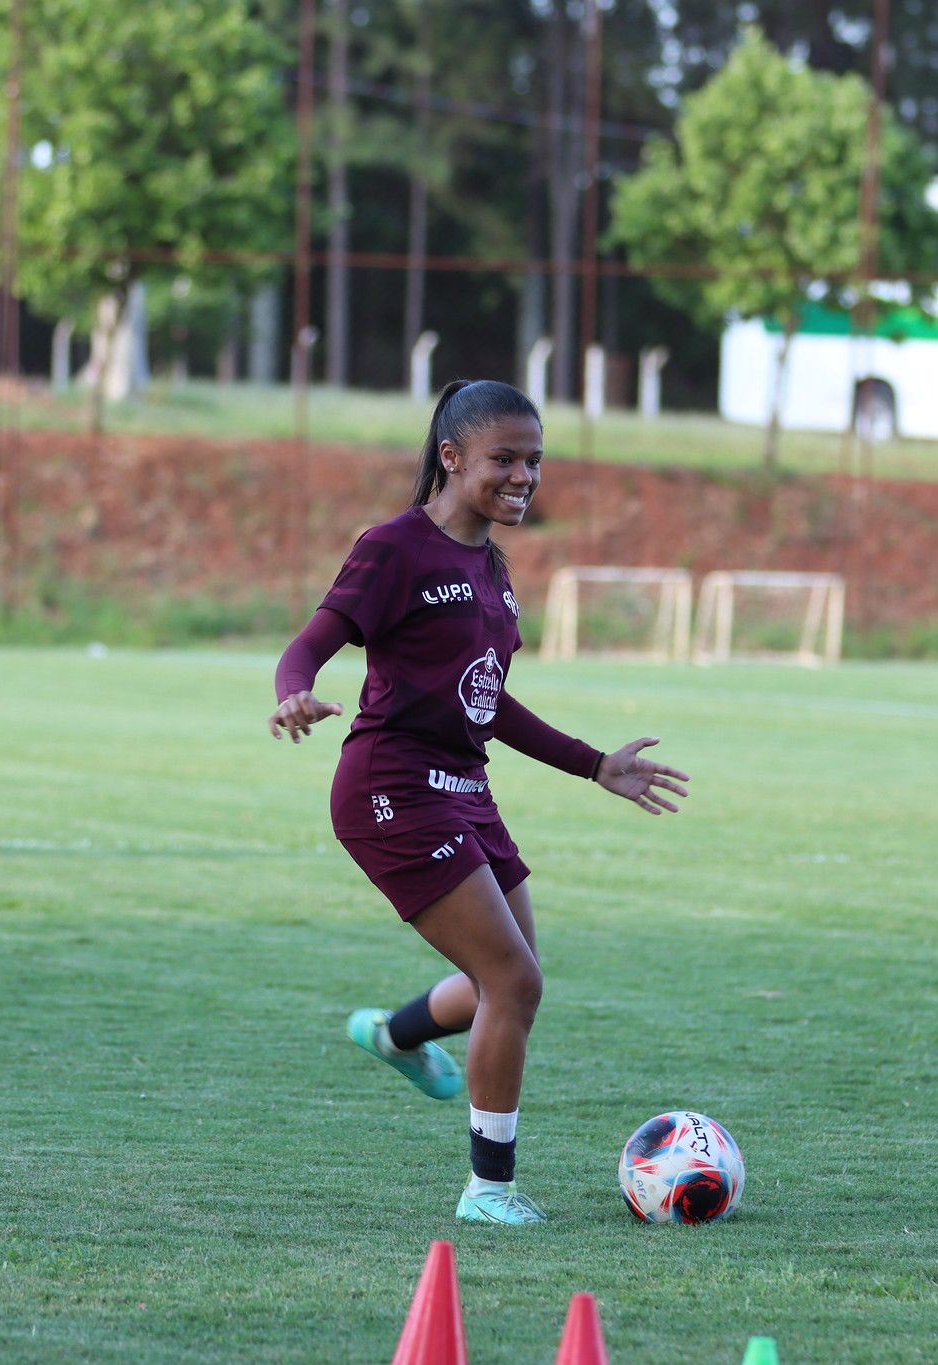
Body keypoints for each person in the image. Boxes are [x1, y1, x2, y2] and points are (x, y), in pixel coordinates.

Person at [268, 378, 690, 1226]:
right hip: (392, 787)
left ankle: (393, 1034)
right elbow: (311, 642)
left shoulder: (491, 569)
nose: (524, 476)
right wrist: (293, 693)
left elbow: (489, 701)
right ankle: (487, 1190)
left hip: (466, 787)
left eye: (534, 460)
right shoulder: (392, 548)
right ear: (452, 456)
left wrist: (594, 763)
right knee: (513, 980)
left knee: (509, 978)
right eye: (505, 458)